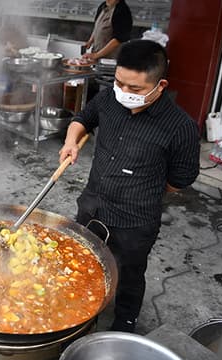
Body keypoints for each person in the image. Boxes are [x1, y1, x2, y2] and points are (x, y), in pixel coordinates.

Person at [58, 40, 200, 333]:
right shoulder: (110, 98)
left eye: (134, 89)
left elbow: (180, 180)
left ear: (160, 85)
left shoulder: (180, 127)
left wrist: (141, 189)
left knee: (130, 274)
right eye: (119, 83)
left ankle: (124, 322)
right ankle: (75, 310)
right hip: (92, 204)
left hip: (135, 221)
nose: (124, 93)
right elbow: (83, 119)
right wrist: (71, 142)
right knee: (80, 259)